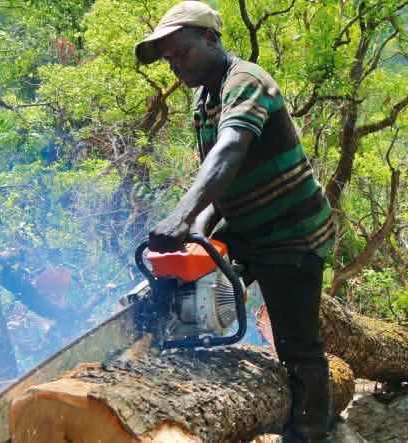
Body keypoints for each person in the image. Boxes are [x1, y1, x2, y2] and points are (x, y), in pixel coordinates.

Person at [136, 2, 335, 442]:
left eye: (180, 54)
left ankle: (312, 434)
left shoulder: (245, 80)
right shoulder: (202, 99)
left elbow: (228, 154)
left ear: (210, 38)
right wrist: (197, 230)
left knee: (298, 347)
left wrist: (182, 214)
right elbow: (219, 184)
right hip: (246, 224)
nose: (175, 66)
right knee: (187, 293)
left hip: (291, 232)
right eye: (169, 60)